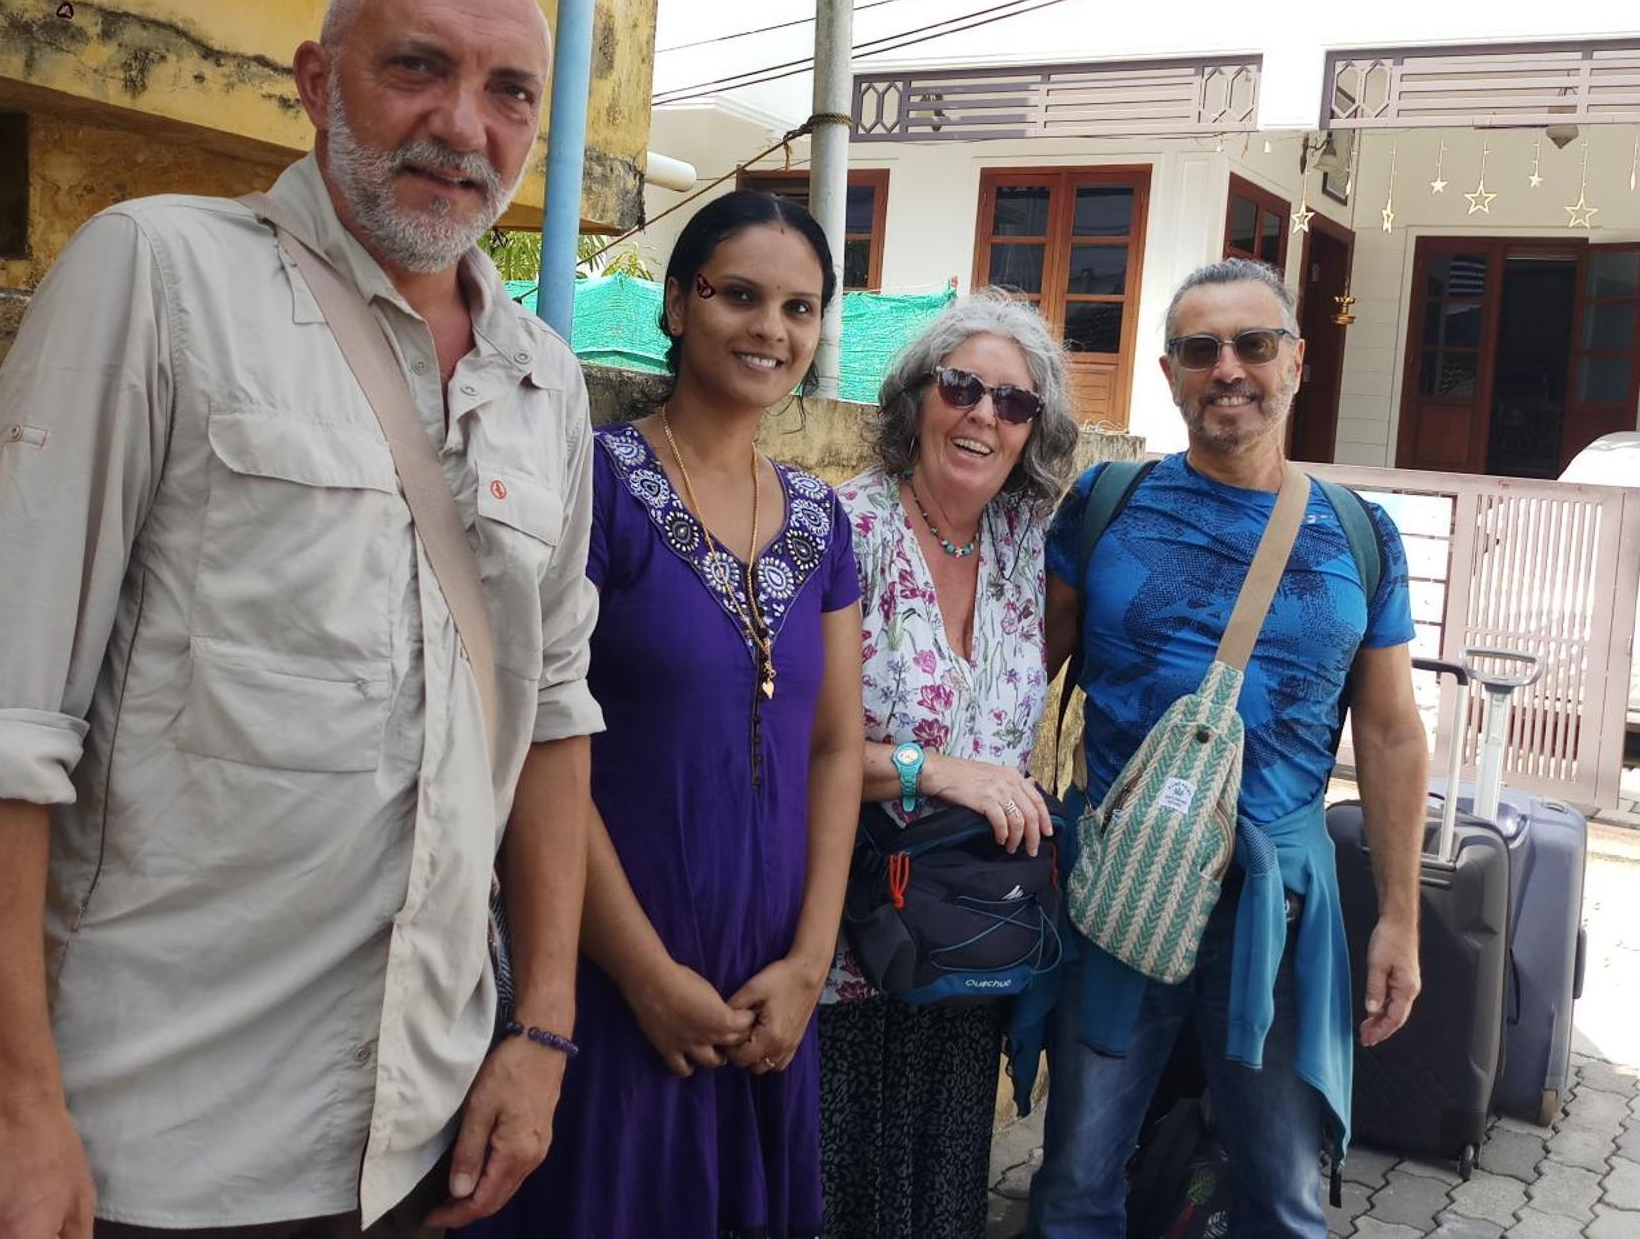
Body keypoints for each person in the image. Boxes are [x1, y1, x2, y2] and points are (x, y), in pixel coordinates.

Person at [0, 0, 602, 1239]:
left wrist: (545, 1028)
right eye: (417, 68)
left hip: (423, 1125)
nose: (462, 125)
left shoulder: (544, 380)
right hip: (150, 1145)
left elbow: (556, 713)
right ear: (316, 80)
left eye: (509, 91)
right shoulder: (157, 275)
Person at [468, 189, 866, 1239]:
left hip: (769, 999)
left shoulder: (824, 522)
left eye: (798, 307)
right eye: (738, 295)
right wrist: (644, 977)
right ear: (679, 305)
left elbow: (832, 748)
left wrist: (809, 970)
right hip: (613, 985)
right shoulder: (594, 483)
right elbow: (537, 739)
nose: (769, 330)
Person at [1025, 256, 1432, 1239]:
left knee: (1282, 1194)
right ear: (1166, 373)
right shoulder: (1104, 505)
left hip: (1279, 906)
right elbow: (1018, 679)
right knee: (1078, 1178)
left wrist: (1399, 921)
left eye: (1252, 345)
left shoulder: (1357, 535)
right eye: (1200, 349)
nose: (1227, 369)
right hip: (1117, 888)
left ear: (1294, 363)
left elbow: (1386, 731)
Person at [816, 291, 1080, 1239]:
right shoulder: (847, 530)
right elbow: (796, 743)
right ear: (917, 396)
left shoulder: (1025, 547)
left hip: (967, 944)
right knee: (837, 1189)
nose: (984, 416)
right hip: (847, 938)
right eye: (962, 387)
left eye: (1014, 405)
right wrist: (941, 770)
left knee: (940, 1194)